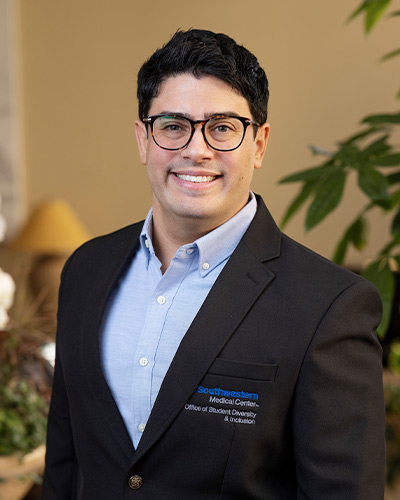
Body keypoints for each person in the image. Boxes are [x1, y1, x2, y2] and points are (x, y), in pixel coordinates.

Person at [42, 29, 385, 499]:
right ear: (144, 139)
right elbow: (65, 463)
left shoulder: (330, 306)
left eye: (222, 127)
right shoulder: (85, 269)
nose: (196, 149)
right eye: (173, 125)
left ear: (259, 144)